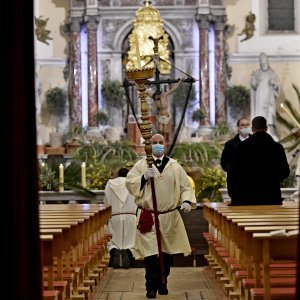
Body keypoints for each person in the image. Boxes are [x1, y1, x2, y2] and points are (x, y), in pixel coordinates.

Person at [125, 134, 196, 299]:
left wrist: (186, 201)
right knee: (150, 254)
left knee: (167, 253)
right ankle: (151, 286)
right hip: (149, 217)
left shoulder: (175, 166)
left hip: (168, 216)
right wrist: (143, 178)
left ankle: (163, 281)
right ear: (148, 146)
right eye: (154, 143)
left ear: (165, 144)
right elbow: (130, 183)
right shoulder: (141, 165)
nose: (157, 145)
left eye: (160, 143)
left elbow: (185, 185)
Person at [230, 116, 290, 205]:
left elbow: (233, 174)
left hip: (246, 198)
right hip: (271, 197)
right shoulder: (277, 148)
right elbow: (285, 172)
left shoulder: (240, 148)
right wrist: (271, 180)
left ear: (252, 129)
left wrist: (234, 197)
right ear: (266, 128)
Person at [104, 167, 137, 269]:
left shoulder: (110, 184)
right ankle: (128, 255)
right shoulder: (133, 183)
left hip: (115, 216)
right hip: (130, 216)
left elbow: (106, 200)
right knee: (130, 241)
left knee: (114, 240)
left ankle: (115, 253)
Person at [250, 53, 280, 140]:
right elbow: (253, 86)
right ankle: (259, 130)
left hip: (269, 98)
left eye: (265, 63)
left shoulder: (272, 73)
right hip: (259, 99)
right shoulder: (257, 73)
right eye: (262, 63)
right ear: (260, 63)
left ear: (267, 62)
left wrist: (274, 84)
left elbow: (277, 86)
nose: (264, 65)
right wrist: (253, 80)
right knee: (260, 114)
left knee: (269, 114)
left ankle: (270, 130)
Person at [220, 117, 251, 199]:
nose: (245, 127)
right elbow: (224, 162)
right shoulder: (230, 144)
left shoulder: (256, 142)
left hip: (253, 183)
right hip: (236, 183)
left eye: (247, 125)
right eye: (243, 125)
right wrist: (232, 170)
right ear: (238, 128)